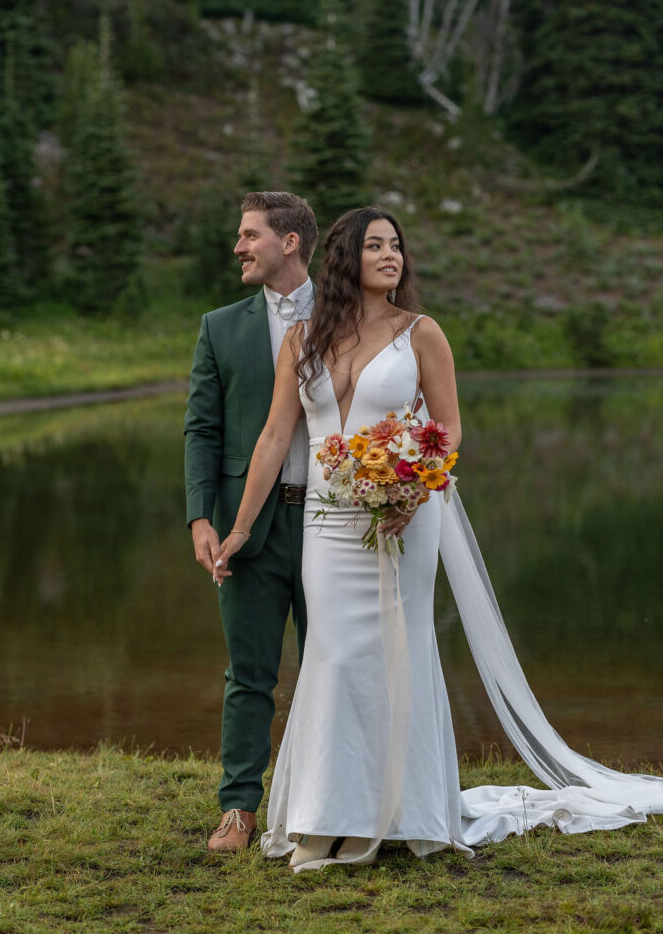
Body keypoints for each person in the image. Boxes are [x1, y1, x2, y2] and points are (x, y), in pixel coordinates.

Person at [215, 206, 663, 872]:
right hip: (327, 524)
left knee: (400, 655)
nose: (391, 255)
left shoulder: (420, 334)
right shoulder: (300, 339)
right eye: (374, 245)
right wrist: (242, 527)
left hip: (403, 518)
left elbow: (447, 430)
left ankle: (406, 809)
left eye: (396, 245)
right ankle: (328, 814)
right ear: (345, 257)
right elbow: (276, 438)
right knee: (333, 659)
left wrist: (411, 489)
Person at [184, 190, 318, 852]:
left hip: (336, 524)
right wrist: (199, 519)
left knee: (340, 666)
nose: (237, 247)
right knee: (249, 673)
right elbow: (200, 430)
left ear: (287, 242)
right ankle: (238, 809)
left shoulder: (350, 317)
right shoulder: (219, 326)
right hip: (248, 526)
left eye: (249, 235)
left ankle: (330, 800)